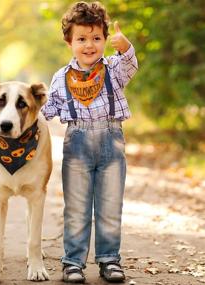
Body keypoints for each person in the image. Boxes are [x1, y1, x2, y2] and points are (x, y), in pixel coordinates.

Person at [41, 1, 138, 283]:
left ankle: (109, 260)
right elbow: (46, 112)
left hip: (111, 140)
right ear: (69, 41)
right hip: (77, 142)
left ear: (105, 40)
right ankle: (73, 262)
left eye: (96, 38)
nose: (89, 45)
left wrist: (125, 47)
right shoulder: (61, 78)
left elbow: (131, 64)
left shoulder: (114, 69)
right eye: (81, 38)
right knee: (77, 207)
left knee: (109, 206)